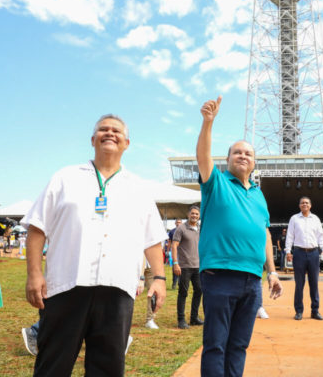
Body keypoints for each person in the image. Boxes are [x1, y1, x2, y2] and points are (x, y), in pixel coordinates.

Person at [23, 114, 167, 376]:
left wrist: (158, 277)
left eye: (116, 131)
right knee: (53, 364)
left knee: (108, 368)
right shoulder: (65, 178)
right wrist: (34, 274)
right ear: (93, 139)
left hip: (118, 290)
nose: (109, 133)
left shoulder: (138, 187)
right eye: (103, 129)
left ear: (127, 143)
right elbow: (37, 228)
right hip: (66, 286)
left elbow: (153, 239)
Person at [195, 95, 282, 377]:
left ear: (255, 162)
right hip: (220, 276)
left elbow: (265, 234)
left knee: (239, 345)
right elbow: (203, 157)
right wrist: (208, 123)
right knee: (216, 345)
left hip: (252, 280)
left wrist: (272, 272)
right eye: (237, 153)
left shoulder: (259, 196)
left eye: (248, 154)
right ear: (228, 159)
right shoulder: (216, 183)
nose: (243, 156)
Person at [285, 196, 323, 320]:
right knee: (299, 284)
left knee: (314, 283)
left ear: (310, 205)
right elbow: (290, 236)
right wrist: (288, 251)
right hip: (298, 253)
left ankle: (315, 311)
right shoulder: (294, 219)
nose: (304, 204)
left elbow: (321, 235)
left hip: (313, 253)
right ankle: (299, 311)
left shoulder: (315, 219)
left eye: (307, 203)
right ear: (299, 206)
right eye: (302, 203)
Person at [172, 205, 202, 329]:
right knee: (183, 293)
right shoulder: (181, 228)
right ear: (188, 214)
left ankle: (194, 318)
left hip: (198, 266)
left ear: (199, 216)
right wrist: (175, 263)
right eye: (192, 213)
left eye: (196, 214)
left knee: (199, 290)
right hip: (184, 266)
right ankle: (181, 320)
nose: (194, 216)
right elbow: (174, 246)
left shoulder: (200, 228)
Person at [168, 219, 183, 290]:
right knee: (175, 267)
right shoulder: (172, 231)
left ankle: (180, 283)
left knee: (182, 268)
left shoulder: (184, 230)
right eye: (177, 222)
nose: (178, 223)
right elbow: (169, 242)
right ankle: (174, 283)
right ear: (175, 223)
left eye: (180, 222)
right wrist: (168, 251)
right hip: (174, 252)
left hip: (183, 252)